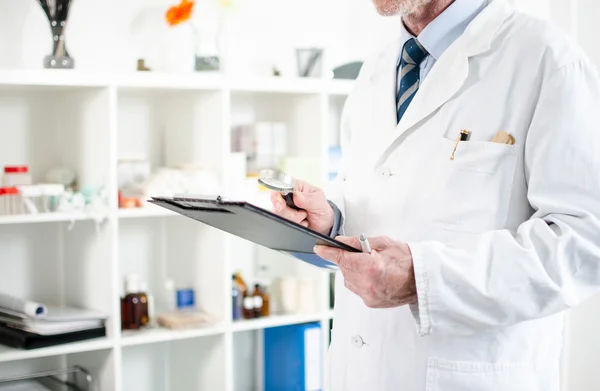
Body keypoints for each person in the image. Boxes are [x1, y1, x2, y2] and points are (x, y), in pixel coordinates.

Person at [270, 0, 600, 390]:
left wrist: (423, 279)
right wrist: (330, 217)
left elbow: (582, 242)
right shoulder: (377, 68)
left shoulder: (545, 57)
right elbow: (380, 193)